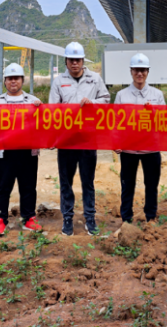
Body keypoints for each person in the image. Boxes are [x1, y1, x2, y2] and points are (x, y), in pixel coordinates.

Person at [49, 42, 110, 236]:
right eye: (71, 60)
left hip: (88, 139)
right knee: (66, 182)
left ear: (83, 61)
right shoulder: (59, 82)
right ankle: (67, 219)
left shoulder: (95, 79)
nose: (75, 63)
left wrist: (92, 103)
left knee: (87, 181)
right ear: (66, 61)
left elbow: (106, 99)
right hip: (66, 141)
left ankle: (89, 218)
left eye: (78, 59)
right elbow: (52, 109)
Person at [0, 63, 43, 236]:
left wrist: (41, 110)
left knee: (28, 186)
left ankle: (28, 217)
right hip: (4, 152)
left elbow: (42, 125)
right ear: (5, 81)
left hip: (27, 151)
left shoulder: (33, 102)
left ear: (22, 80)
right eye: (10, 78)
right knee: (3, 186)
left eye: (17, 78)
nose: (13, 81)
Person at [113, 53, 166, 225]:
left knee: (151, 185)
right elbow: (115, 122)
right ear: (131, 71)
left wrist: (154, 113)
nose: (140, 74)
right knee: (127, 185)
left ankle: (150, 217)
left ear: (148, 72)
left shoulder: (157, 95)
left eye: (143, 70)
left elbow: (165, 121)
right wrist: (116, 142)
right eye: (136, 70)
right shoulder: (121, 95)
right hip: (129, 149)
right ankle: (126, 218)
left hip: (151, 149)